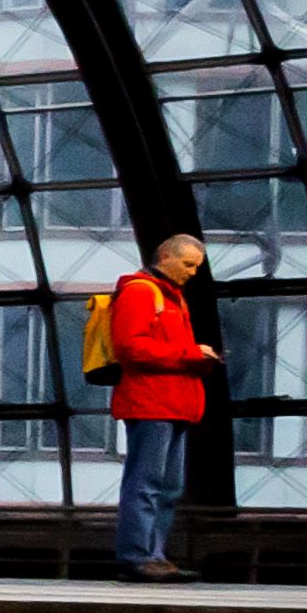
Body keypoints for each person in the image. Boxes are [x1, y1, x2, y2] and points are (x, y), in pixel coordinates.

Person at [102, 229, 218, 580]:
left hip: (171, 403)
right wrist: (190, 354)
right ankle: (138, 555)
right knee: (148, 483)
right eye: (188, 264)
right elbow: (131, 348)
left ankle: (152, 555)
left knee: (166, 487)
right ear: (165, 257)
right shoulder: (142, 293)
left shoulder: (169, 296)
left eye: (196, 266)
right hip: (152, 403)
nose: (193, 272)